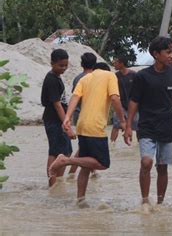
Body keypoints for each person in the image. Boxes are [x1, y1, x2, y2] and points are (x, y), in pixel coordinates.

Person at [124, 37, 172, 211]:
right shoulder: (142, 76)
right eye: (168, 52)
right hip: (147, 125)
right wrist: (128, 126)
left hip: (167, 125)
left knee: (162, 166)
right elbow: (134, 102)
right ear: (156, 54)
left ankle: (160, 203)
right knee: (146, 162)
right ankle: (145, 201)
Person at [49, 62, 127, 207]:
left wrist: (67, 118)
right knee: (103, 164)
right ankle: (66, 161)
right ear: (106, 70)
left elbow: (74, 97)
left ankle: (80, 200)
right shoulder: (110, 75)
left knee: (86, 165)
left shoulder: (85, 78)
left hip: (82, 125)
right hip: (95, 127)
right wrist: (122, 120)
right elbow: (115, 98)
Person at [41, 49, 72, 187]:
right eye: (61, 65)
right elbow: (57, 105)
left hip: (58, 119)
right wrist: (67, 125)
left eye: (66, 65)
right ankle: (53, 184)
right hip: (54, 120)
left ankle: (58, 181)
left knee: (66, 151)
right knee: (55, 152)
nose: (64, 68)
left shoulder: (56, 77)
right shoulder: (51, 79)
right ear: (52, 63)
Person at [68, 52, 97, 178]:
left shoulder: (77, 78)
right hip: (90, 116)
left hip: (78, 115)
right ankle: (72, 172)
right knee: (85, 147)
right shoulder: (96, 78)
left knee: (86, 145)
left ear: (81, 64)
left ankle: (92, 171)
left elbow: (75, 96)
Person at [110, 56, 138, 142]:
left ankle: (138, 147)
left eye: (116, 62)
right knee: (116, 126)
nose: (114, 64)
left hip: (133, 105)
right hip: (120, 105)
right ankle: (111, 145)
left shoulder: (134, 75)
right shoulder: (115, 76)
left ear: (122, 63)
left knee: (138, 127)